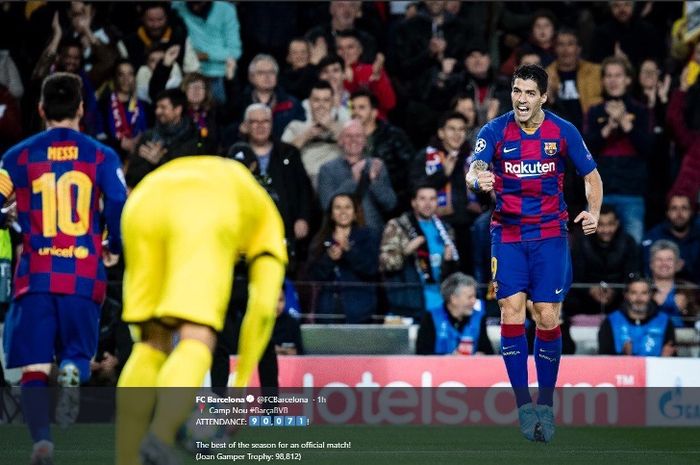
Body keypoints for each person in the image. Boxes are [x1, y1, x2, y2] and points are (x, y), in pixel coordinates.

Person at [115, 156, 287, 465]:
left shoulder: (237, 187)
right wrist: (240, 388)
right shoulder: (267, 223)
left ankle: (127, 459)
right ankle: (161, 436)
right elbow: (263, 310)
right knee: (198, 335)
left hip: (142, 200)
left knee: (152, 344)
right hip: (200, 209)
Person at [466, 64, 603, 443]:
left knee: (546, 316)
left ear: (543, 96)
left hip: (549, 235)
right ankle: (524, 405)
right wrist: (478, 178)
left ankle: (546, 402)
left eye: (529, 93)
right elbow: (474, 166)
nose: (521, 99)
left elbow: (591, 176)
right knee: (510, 309)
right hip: (508, 234)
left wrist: (593, 213)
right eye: (516, 91)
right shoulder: (493, 130)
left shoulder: (563, 131)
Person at [0, 72, 127, 465]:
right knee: (76, 353)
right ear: (82, 110)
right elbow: (120, 203)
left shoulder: (16, 156)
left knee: (35, 366)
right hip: (82, 274)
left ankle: (42, 442)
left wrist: (7, 219)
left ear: (40, 110)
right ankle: (72, 371)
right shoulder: (101, 155)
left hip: (35, 274)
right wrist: (115, 246)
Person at [380, 184, 459, 321]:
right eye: (422, 199)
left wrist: (448, 261)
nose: (427, 203)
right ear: (413, 202)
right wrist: (406, 252)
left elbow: (453, 272)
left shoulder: (445, 229)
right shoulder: (398, 226)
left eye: (432, 199)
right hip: (408, 303)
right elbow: (385, 264)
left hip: (441, 304)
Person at [307, 192, 380, 323]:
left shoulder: (367, 236)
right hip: (327, 311)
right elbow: (313, 276)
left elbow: (371, 269)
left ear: (355, 212)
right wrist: (329, 259)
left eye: (347, 207)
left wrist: (349, 251)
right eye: (338, 207)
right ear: (331, 214)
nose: (343, 212)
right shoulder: (320, 239)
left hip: (359, 311)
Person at [416, 272, 493, 355]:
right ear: (454, 299)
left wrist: (482, 355)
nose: (474, 301)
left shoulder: (479, 318)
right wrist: (450, 360)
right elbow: (422, 354)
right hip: (439, 367)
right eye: (470, 297)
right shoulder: (430, 318)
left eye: (475, 296)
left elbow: (488, 352)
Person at [598, 275, 676, 356]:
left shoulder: (664, 321)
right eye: (634, 293)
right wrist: (624, 356)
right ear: (626, 295)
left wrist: (666, 359)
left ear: (650, 295)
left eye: (644, 293)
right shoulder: (611, 321)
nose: (639, 298)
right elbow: (603, 359)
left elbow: (674, 359)